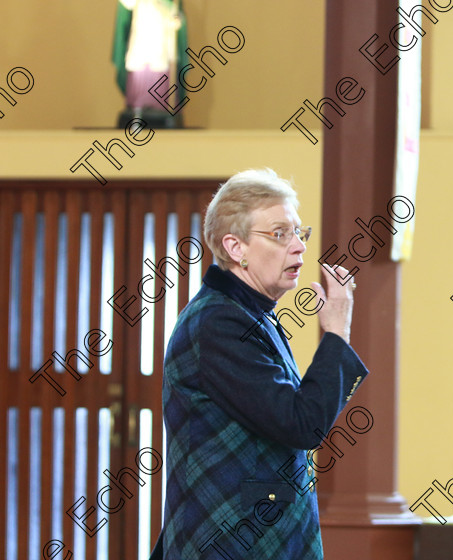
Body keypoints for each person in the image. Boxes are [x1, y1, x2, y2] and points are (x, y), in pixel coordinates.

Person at [155, 169, 369, 559]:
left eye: (298, 233)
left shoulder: (249, 314)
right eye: (279, 234)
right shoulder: (219, 323)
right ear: (235, 248)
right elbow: (302, 423)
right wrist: (336, 332)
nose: (299, 247)